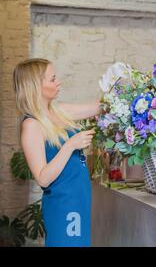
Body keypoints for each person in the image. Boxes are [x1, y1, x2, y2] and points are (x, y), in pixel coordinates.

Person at [13, 58, 100, 247]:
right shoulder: (32, 125)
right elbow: (43, 178)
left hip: (79, 198)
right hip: (64, 203)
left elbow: (100, 107)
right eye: (52, 79)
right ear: (36, 86)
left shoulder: (60, 111)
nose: (58, 82)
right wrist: (70, 145)